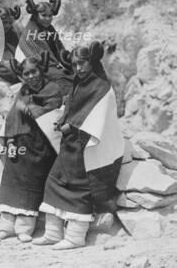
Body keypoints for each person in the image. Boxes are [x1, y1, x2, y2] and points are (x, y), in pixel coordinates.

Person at [35, 41, 124, 249]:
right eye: (75, 64)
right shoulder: (79, 83)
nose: (78, 68)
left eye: (82, 63)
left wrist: (72, 127)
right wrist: (63, 119)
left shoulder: (102, 87)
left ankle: (75, 237)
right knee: (53, 182)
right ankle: (53, 233)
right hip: (71, 145)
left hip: (89, 146)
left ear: (92, 62)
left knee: (79, 188)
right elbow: (72, 107)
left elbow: (97, 118)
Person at [0, 54, 64, 243]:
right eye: (27, 73)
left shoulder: (53, 89)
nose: (31, 76)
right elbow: (13, 118)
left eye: (34, 71)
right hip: (19, 144)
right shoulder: (23, 91)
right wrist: (9, 142)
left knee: (31, 182)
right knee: (11, 177)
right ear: (22, 76)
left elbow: (53, 115)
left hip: (42, 147)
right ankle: (6, 226)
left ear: (41, 70)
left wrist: (30, 109)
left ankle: (24, 228)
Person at [14, 0, 74, 96]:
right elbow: (39, 58)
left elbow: (59, 48)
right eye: (44, 15)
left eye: (50, 16)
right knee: (60, 77)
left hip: (47, 61)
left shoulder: (49, 28)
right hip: (30, 63)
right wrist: (58, 67)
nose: (48, 18)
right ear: (36, 15)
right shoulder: (32, 32)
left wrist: (67, 61)